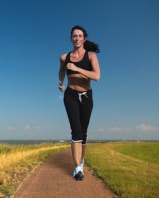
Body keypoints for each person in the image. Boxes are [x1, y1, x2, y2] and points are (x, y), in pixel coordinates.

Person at [58, 25, 100, 180]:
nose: (77, 38)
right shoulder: (64, 57)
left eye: (80, 36)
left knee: (84, 132)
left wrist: (76, 68)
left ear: (84, 39)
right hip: (70, 95)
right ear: (71, 38)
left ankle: (81, 161)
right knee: (76, 131)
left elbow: (97, 76)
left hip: (87, 96)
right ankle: (77, 168)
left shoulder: (91, 56)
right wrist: (60, 81)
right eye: (74, 36)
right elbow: (62, 69)